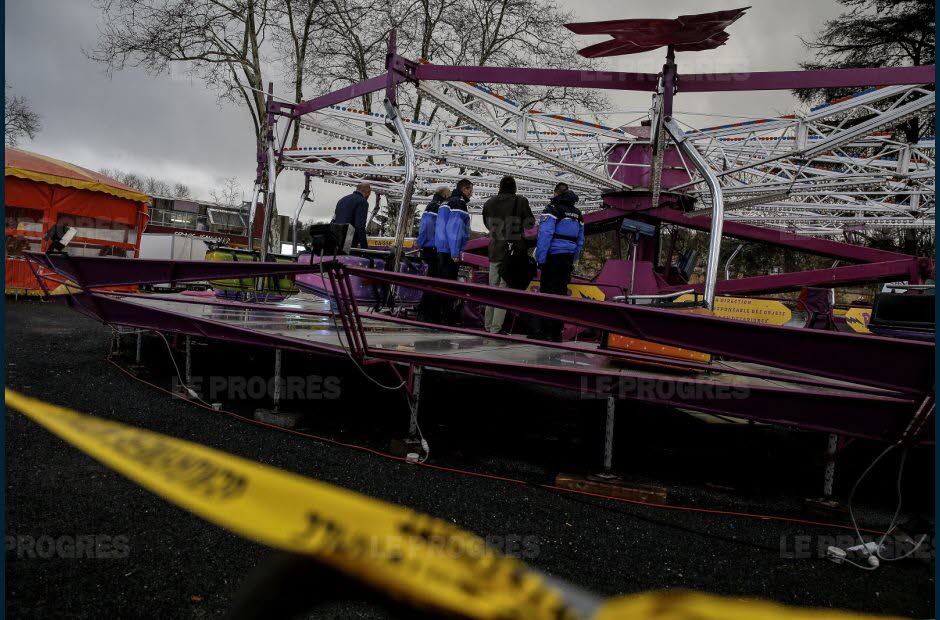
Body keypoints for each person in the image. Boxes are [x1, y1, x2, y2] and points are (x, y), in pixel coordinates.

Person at [532, 182, 584, 342]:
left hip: (553, 256)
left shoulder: (552, 209)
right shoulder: (578, 214)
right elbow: (580, 240)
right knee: (561, 295)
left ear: (556, 193)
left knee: (547, 294)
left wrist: (541, 259)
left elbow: (545, 235)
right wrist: (573, 259)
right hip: (567, 258)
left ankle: (544, 331)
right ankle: (556, 332)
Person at [481, 176, 533, 333]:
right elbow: (530, 223)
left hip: (495, 249)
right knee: (504, 290)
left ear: (500, 187)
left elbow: (487, 223)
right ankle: (496, 328)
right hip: (512, 252)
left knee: (492, 289)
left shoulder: (489, 203)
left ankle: (487, 325)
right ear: (514, 188)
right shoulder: (520, 201)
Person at [434, 178, 473, 323]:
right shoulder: (459, 203)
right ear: (464, 189)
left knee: (441, 284)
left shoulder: (445, 203)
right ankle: (447, 318)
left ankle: (438, 316)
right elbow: (455, 228)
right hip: (450, 250)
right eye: (470, 190)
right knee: (449, 285)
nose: (471, 194)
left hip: (441, 248)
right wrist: (455, 252)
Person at [415, 187, 451, 322]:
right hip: (432, 247)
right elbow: (429, 226)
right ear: (445, 195)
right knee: (433, 279)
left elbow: (425, 226)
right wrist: (422, 242)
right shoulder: (437, 206)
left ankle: (424, 310)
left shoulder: (432, 205)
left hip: (429, 246)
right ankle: (427, 312)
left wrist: (421, 242)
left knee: (430, 279)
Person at [332, 182, 371, 250]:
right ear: (368, 192)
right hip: (349, 242)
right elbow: (359, 226)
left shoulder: (342, 200)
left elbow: (334, 220)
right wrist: (364, 248)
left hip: (336, 241)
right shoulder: (362, 202)